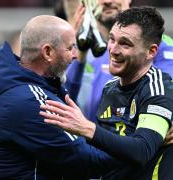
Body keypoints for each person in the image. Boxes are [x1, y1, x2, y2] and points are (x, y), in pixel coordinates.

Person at [40, 7, 173, 179]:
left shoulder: (158, 89)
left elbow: (141, 151)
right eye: (112, 39)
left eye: (125, 43)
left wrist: (87, 128)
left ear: (151, 51)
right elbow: (103, 153)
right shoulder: (110, 88)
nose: (113, 50)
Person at [0, 15, 124, 179]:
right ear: (48, 52)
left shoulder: (16, 81)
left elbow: (64, 98)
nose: (75, 55)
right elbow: (87, 161)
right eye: (70, 48)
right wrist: (143, 144)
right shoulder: (30, 101)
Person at [65, 0, 173, 122]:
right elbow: (65, 100)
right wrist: (79, 49)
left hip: (138, 135)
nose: (107, 1)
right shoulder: (82, 50)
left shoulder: (157, 43)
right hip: (93, 137)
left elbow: (167, 93)